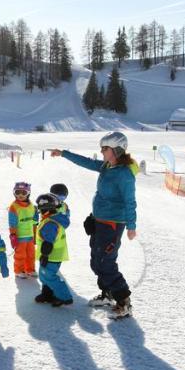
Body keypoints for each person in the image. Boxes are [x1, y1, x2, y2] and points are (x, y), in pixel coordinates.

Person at [50, 131, 138, 319]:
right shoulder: (107, 166)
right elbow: (87, 162)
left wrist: (131, 226)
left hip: (113, 224)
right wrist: (64, 153)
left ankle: (124, 301)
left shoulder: (125, 174)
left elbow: (130, 201)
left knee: (106, 262)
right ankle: (108, 294)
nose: (101, 152)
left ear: (116, 149)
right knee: (95, 261)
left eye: (104, 149)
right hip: (99, 221)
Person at [33, 192, 73, 307]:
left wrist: (45, 255)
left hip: (51, 255)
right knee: (44, 275)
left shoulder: (50, 223)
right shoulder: (52, 219)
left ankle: (64, 297)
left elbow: (48, 242)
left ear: (47, 210)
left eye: (40, 210)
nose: (39, 213)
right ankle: (47, 294)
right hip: (53, 254)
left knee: (48, 276)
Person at [7, 181, 38, 278]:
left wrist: (35, 232)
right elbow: (12, 223)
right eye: (17, 192)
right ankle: (19, 270)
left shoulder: (32, 206)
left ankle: (30, 269)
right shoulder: (14, 207)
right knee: (20, 255)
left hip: (30, 235)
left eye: (24, 193)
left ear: (28, 193)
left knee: (31, 254)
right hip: (20, 236)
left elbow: (34, 221)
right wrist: (13, 235)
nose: (20, 195)